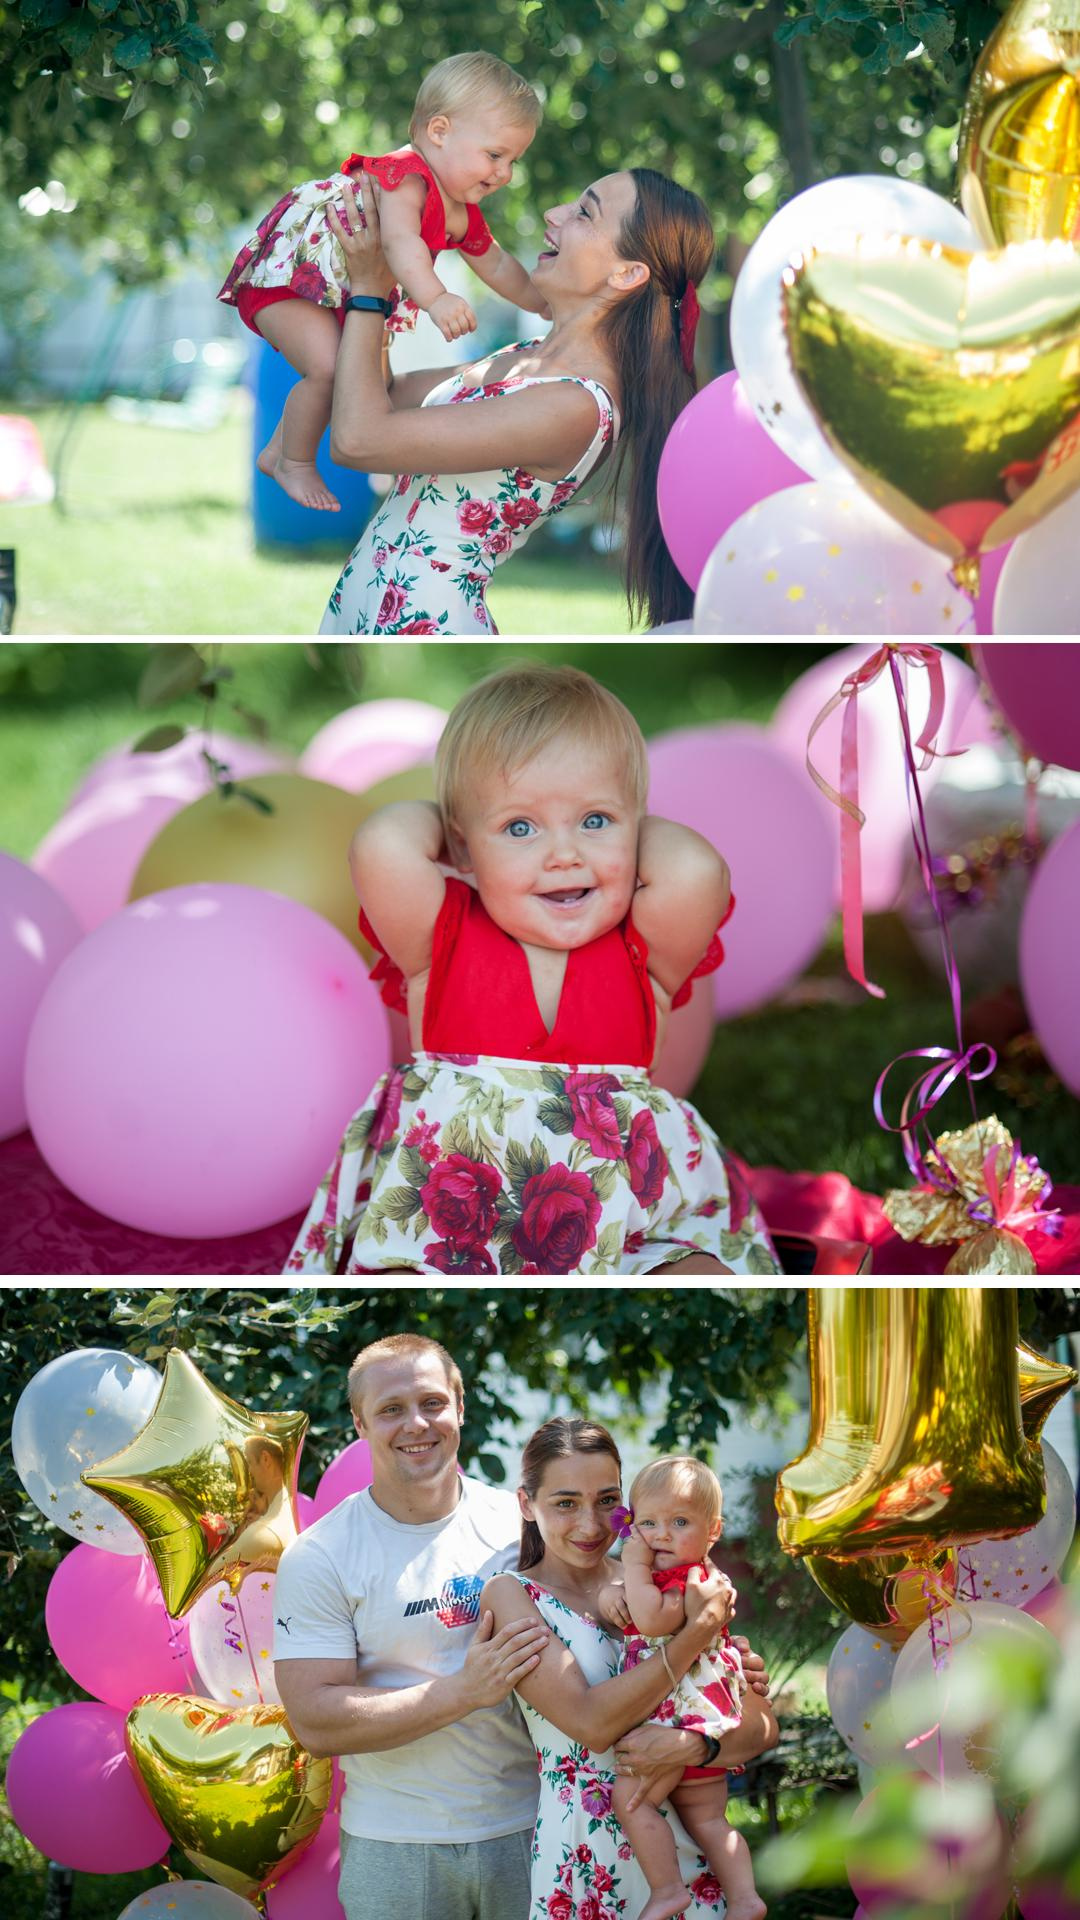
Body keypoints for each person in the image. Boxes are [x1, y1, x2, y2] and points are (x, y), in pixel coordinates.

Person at [283, 663, 780, 1276]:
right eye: (520, 827)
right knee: (406, 1282)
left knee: (703, 1280)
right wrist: (468, 837)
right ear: (459, 846)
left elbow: (699, 869)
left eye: (595, 821)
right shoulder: (442, 939)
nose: (564, 854)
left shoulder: (643, 951)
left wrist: (605, 815)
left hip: (619, 1228)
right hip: (452, 1230)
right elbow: (380, 845)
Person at [273, 1338, 774, 1920]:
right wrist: (464, 1690)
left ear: (460, 1409)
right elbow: (312, 1718)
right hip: (401, 1839)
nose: (417, 1423)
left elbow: (754, 1722)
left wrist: (705, 1713)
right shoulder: (323, 1555)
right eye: (391, 1408)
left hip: (531, 1826)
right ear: (359, 1422)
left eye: (433, 1402)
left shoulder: (524, 1532)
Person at [314, 157, 715, 632]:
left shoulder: (579, 405)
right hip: (364, 608)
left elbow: (357, 439)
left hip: (425, 623)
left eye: (584, 213)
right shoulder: (527, 356)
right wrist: (395, 269)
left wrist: (368, 290)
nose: (554, 213)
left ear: (627, 274)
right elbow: (384, 394)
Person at [480, 1417, 780, 1920]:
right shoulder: (512, 1595)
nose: (592, 1525)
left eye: (607, 1501)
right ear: (527, 1504)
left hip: (692, 1844)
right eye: (565, 1502)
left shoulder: (667, 1582)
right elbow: (592, 1724)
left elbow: (760, 1731)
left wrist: (695, 1744)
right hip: (586, 1851)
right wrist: (698, 1633)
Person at [218, 52, 547, 511]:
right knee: (330, 370)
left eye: (513, 160)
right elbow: (397, 244)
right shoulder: (405, 175)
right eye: (495, 155)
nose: (504, 173)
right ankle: (291, 459)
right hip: (293, 277)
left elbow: (496, 263)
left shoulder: (461, 211)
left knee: (366, 383)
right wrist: (436, 299)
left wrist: (542, 304)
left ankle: (289, 449)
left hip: (336, 290)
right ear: (439, 131)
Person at [601, 1457, 766, 1920]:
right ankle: (746, 1898)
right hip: (702, 1716)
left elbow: (654, 1619)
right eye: (647, 1522)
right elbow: (634, 1609)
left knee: (630, 1803)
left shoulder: (689, 1581)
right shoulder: (686, 1576)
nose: (660, 1535)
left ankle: (668, 1890)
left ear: (713, 1530)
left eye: (678, 1522)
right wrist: (611, 1594)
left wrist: (630, 1571)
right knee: (709, 1819)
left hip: (676, 1716)